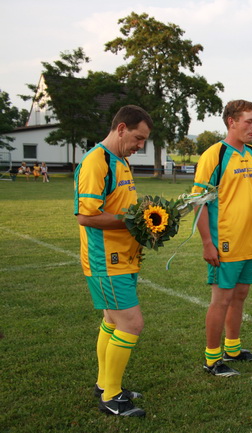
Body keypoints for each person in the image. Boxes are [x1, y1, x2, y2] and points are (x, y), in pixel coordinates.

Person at [74, 105, 153, 417]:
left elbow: (121, 207)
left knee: (112, 321)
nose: (140, 146)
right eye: (138, 138)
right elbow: (86, 216)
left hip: (124, 257)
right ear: (121, 129)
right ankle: (111, 398)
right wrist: (135, 221)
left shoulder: (121, 160)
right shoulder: (97, 161)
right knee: (131, 323)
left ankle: (106, 384)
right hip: (106, 260)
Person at [193, 100, 252, 377]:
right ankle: (212, 360)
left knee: (240, 296)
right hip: (225, 242)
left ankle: (233, 348)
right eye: (249, 121)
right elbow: (199, 203)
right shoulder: (214, 155)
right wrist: (207, 243)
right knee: (221, 299)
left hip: (251, 241)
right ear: (231, 121)